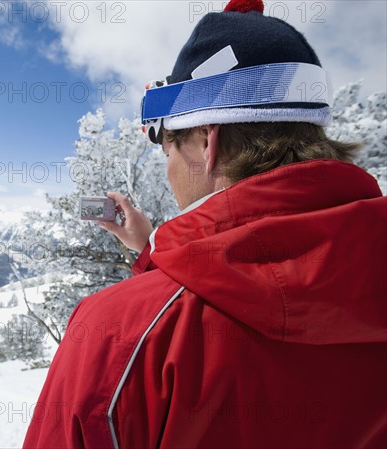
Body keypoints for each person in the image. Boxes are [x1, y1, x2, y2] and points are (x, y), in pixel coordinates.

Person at [23, 0, 387, 447]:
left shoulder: (115, 336)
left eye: (168, 149)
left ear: (205, 141)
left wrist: (153, 287)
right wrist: (153, 254)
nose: (168, 169)